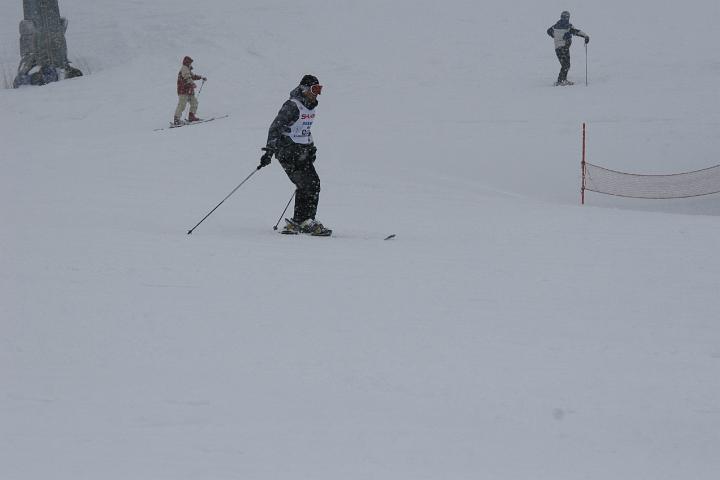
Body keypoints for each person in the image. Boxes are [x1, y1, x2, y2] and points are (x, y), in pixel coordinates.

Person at [259, 74, 331, 236]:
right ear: (304, 89)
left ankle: (302, 220)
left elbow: (304, 129)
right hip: (288, 151)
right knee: (309, 183)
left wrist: (311, 147)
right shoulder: (292, 106)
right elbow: (275, 127)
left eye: (319, 89)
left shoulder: (310, 107)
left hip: (301, 151)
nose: (317, 93)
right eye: (314, 89)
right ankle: (304, 221)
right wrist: (269, 151)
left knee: (311, 183)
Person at [547, 11, 589, 86]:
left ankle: (562, 79)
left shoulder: (555, 25)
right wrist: (585, 36)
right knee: (566, 65)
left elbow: (548, 31)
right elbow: (577, 32)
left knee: (565, 64)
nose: (565, 19)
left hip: (558, 48)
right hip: (563, 47)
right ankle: (561, 80)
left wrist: (555, 36)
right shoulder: (568, 26)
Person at [174, 56, 206, 125]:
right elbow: (187, 77)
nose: (191, 64)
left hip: (189, 91)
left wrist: (201, 77)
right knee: (182, 105)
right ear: (187, 62)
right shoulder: (184, 68)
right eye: (190, 62)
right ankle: (176, 120)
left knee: (194, 103)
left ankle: (191, 116)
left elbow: (193, 76)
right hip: (183, 90)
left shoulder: (188, 69)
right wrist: (192, 83)